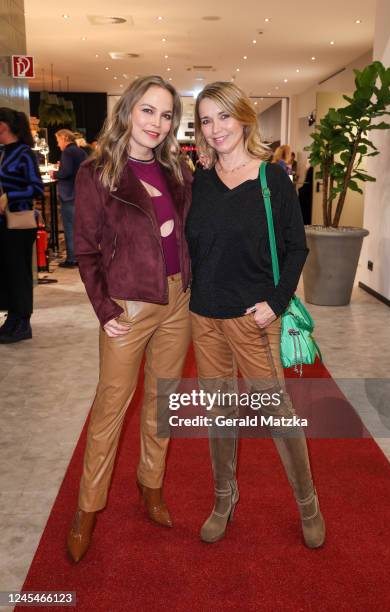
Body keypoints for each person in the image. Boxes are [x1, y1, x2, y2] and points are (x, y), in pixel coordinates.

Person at [186, 82, 325, 548]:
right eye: (206, 120)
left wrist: (277, 301)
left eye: (223, 117)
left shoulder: (272, 178)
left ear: (243, 119)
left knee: (277, 414)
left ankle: (308, 502)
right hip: (204, 317)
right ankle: (224, 497)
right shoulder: (198, 181)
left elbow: (296, 246)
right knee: (219, 413)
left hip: (254, 318)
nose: (216, 128)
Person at [67, 76, 192, 563]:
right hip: (128, 306)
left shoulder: (177, 170)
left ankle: (151, 485)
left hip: (178, 301)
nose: (157, 124)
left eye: (165, 115)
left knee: (163, 404)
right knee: (109, 411)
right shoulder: (98, 172)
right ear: (127, 112)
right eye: (147, 111)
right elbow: (86, 250)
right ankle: (87, 509)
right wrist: (104, 309)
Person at [0, 107, 43, 344]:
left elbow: (35, 188)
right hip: (2, 224)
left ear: (4, 125)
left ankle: (23, 322)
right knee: (6, 272)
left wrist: (9, 196)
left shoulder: (23, 153)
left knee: (19, 273)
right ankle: (12, 319)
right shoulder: (3, 152)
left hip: (19, 223)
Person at [53, 129, 87, 267]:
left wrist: (54, 174)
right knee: (79, 228)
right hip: (80, 193)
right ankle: (81, 256)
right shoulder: (80, 151)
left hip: (69, 194)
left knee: (70, 227)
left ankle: (72, 258)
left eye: (58, 140)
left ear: (65, 138)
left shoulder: (67, 152)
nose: (57, 144)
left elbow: (65, 172)